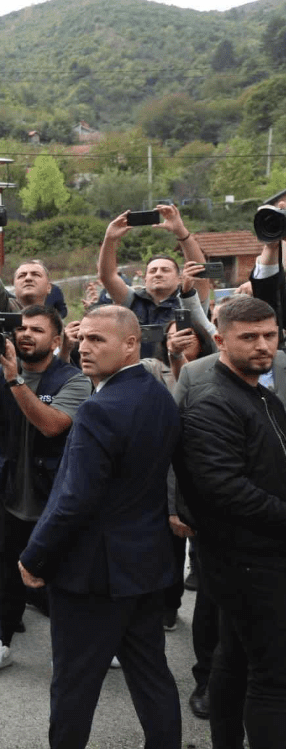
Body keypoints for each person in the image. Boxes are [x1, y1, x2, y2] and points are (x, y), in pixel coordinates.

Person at [18, 305, 182, 749]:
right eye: (83, 338)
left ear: (131, 344)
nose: (84, 349)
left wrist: (34, 555)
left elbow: (74, 499)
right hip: (145, 566)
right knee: (151, 676)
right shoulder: (157, 394)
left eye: (98, 340)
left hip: (92, 577)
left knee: (74, 685)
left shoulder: (99, 409)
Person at [176, 294, 286, 747]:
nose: (262, 346)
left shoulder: (258, 391)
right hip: (247, 560)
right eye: (249, 337)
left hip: (256, 555)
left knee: (236, 659)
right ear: (220, 340)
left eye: (270, 335)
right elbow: (222, 489)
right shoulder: (213, 402)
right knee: (274, 678)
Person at [0, 304, 91, 680]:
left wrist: (16, 381)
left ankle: (71, 649)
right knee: (4, 575)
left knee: (60, 578)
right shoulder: (0, 375)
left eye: (37, 330)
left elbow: (52, 426)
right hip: (8, 494)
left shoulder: (74, 379)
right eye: (22, 329)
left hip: (54, 496)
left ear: (56, 340)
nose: (26, 335)